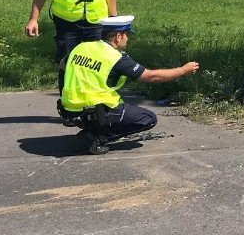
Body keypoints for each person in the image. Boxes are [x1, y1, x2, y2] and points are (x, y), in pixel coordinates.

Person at [59, 15, 199, 155]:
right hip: (96, 111)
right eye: (127, 35)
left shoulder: (82, 47)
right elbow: (151, 76)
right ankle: (96, 138)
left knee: (118, 106)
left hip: (70, 109)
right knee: (147, 119)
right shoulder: (115, 57)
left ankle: (93, 128)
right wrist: (183, 70)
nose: (128, 39)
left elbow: (63, 65)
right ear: (118, 36)